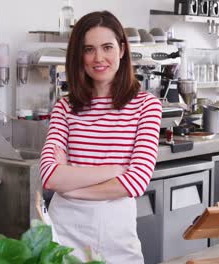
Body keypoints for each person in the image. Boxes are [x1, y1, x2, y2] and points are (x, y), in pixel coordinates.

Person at [39, 11, 162, 263]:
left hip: (115, 234)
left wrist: (72, 188)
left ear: (122, 50)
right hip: (65, 232)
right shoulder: (64, 107)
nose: (99, 58)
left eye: (107, 47)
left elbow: (136, 182)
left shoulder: (146, 106)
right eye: (89, 49)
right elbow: (50, 177)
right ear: (79, 56)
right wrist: (116, 169)